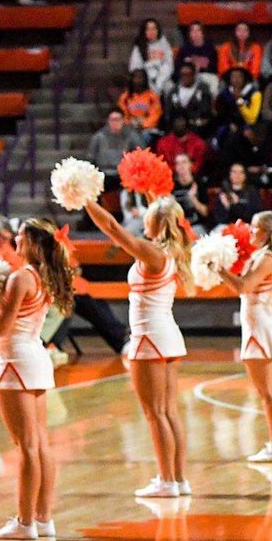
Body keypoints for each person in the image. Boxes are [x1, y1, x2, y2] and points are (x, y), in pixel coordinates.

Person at [84, 193, 194, 498]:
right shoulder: (170, 252)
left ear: (155, 222)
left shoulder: (152, 253)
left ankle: (166, 480)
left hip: (150, 338)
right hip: (166, 335)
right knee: (169, 411)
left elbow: (113, 229)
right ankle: (178, 479)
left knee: (155, 413)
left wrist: (85, 199)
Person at [0, 220, 75, 541]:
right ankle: (43, 519)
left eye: (21, 234)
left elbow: (1, 328)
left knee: (26, 447)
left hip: (16, 361)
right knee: (40, 444)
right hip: (36, 358)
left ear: (34, 243)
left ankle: (24, 523)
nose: (16, 237)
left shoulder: (22, 277)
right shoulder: (45, 277)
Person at [217, 211, 272, 463]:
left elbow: (243, 286)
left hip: (261, 328)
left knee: (269, 394)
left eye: (255, 228)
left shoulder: (267, 258)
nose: (250, 232)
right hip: (263, 325)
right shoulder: (266, 255)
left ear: (267, 232)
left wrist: (218, 268)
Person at [87, 110, 143, 175]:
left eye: (118, 119)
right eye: (112, 120)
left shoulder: (132, 136)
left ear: (123, 120)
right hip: (103, 172)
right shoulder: (99, 136)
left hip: (125, 173)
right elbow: (90, 157)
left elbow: (140, 154)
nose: (115, 122)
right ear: (108, 121)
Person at [130, 19, 175, 95]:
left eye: (154, 28)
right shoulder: (139, 47)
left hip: (163, 77)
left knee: (170, 88)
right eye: (148, 29)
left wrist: (160, 80)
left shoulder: (164, 44)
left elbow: (169, 64)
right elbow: (135, 67)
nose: (151, 31)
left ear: (158, 30)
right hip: (147, 80)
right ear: (144, 31)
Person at [175, 22, 221, 95]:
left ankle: (212, 104)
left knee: (214, 80)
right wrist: (187, 67)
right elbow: (177, 67)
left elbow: (214, 68)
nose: (195, 33)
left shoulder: (210, 48)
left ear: (203, 33)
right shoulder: (184, 49)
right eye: (192, 30)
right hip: (188, 76)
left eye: (198, 30)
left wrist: (201, 67)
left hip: (205, 75)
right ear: (190, 34)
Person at [120, 70, 162, 143]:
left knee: (144, 136)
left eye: (141, 77)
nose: (138, 80)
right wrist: (130, 126)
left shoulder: (152, 96)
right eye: (136, 77)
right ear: (131, 80)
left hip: (148, 129)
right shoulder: (125, 97)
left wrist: (143, 126)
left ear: (145, 80)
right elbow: (123, 115)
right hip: (130, 127)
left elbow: (155, 115)